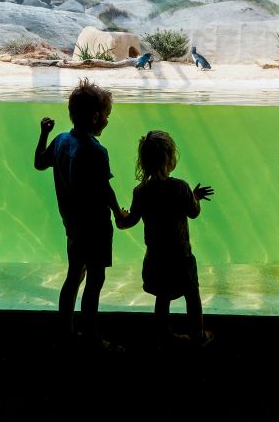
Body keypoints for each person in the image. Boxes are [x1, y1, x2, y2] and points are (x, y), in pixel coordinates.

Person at [34, 78, 124, 352]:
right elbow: (104, 188)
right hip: (95, 226)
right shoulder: (96, 150)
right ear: (96, 116)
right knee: (95, 280)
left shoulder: (61, 140)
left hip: (72, 226)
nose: (107, 121)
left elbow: (39, 163)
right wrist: (119, 213)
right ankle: (92, 338)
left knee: (74, 275)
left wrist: (44, 133)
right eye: (107, 116)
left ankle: (66, 332)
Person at [116, 130, 214, 349]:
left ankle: (163, 334)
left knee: (162, 297)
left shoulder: (141, 191)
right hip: (181, 256)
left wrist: (119, 216)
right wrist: (195, 198)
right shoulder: (180, 187)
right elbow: (193, 213)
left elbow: (129, 221)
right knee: (192, 294)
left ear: (143, 161)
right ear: (171, 158)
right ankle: (197, 334)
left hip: (156, 257)